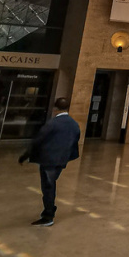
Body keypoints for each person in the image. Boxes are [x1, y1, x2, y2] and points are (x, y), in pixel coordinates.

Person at [18, 97, 81, 226]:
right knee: (50, 184)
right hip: (62, 160)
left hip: (48, 160)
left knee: (48, 187)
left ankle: (48, 215)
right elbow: (75, 141)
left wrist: (25, 155)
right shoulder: (74, 124)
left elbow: (38, 140)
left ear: (55, 109)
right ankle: (49, 211)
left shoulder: (53, 123)